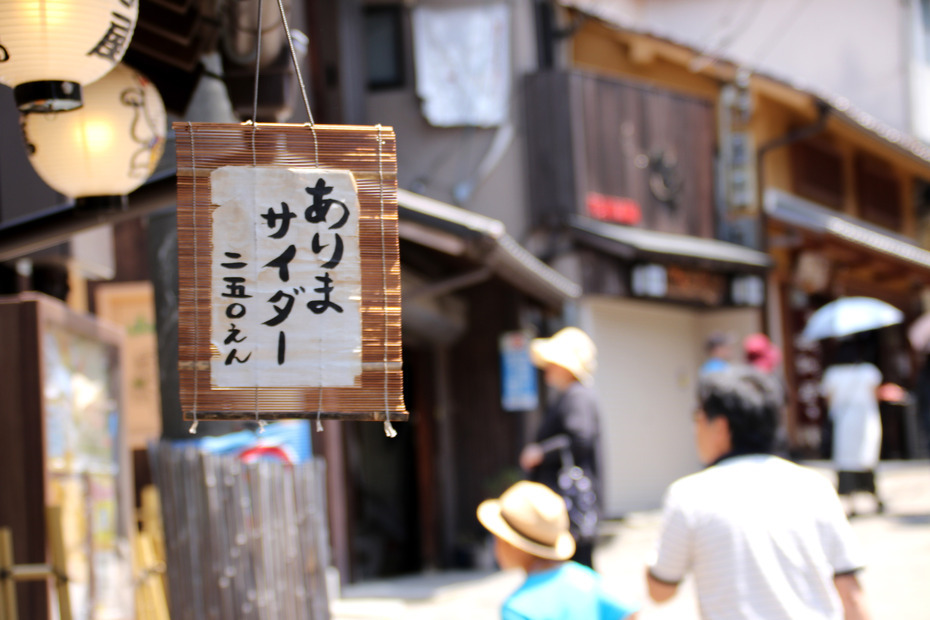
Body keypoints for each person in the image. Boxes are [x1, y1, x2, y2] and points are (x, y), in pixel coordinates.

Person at [647, 366, 872, 620]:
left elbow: (660, 591)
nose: (695, 430)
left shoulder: (689, 495)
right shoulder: (814, 486)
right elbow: (851, 594)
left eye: (698, 419)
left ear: (720, 426)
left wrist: (655, 558)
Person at [477, 480, 639, 620]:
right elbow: (629, 612)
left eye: (497, 538)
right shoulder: (587, 579)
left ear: (512, 545)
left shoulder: (517, 607)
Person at [519, 327, 602, 568]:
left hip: (570, 505)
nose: (547, 367)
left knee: (575, 568)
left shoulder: (576, 396)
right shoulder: (571, 396)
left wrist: (541, 453)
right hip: (567, 505)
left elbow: (580, 439)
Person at [821, 336, 903, 516]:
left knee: (846, 461)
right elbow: (875, 395)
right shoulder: (868, 371)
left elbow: (829, 400)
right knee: (866, 459)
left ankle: (851, 503)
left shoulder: (832, 374)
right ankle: (875, 498)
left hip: (844, 421)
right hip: (865, 419)